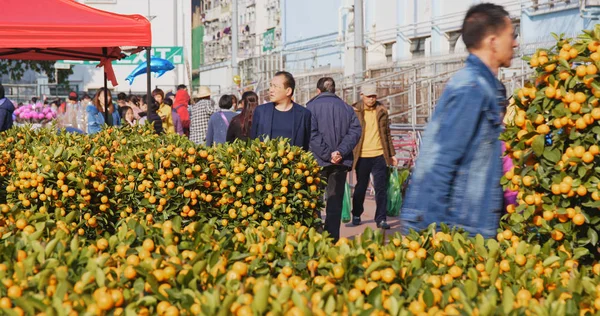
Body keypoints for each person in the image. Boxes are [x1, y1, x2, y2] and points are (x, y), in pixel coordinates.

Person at [400, 3, 518, 238]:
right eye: (511, 36)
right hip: (460, 230)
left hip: (471, 225)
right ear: (493, 41)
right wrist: (431, 236)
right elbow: (440, 163)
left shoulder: (484, 87)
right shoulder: (472, 87)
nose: (515, 43)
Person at [306, 77, 362, 242]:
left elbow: (312, 134)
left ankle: (316, 237)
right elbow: (355, 132)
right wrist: (339, 152)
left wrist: (327, 153)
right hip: (340, 162)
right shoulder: (347, 108)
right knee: (334, 202)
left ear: (318, 91)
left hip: (317, 161)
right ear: (334, 90)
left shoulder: (310, 107)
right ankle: (332, 240)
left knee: (313, 201)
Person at [351, 83, 397, 230]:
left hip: (379, 155)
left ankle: (381, 218)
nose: (371, 99)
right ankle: (357, 213)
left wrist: (392, 154)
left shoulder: (382, 110)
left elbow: (387, 134)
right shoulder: (355, 111)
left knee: (381, 188)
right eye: (369, 96)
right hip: (362, 155)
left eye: (374, 96)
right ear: (362, 95)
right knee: (360, 187)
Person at [250, 71, 311, 150]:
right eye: (271, 86)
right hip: (265, 161)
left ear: (288, 91)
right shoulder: (261, 112)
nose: (271, 90)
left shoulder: (303, 114)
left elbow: (306, 143)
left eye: (275, 86)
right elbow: (253, 141)